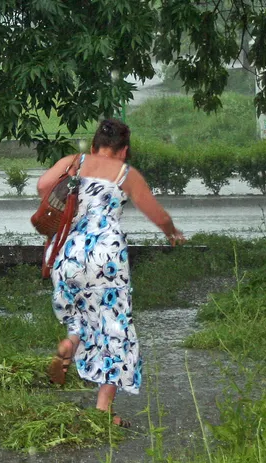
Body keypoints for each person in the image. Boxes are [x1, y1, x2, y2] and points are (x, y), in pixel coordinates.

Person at [37, 118, 185, 427]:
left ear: (93, 146)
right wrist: (173, 234)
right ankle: (104, 408)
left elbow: (42, 186)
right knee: (116, 330)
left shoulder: (74, 162)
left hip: (69, 255)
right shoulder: (125, 175)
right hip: (106, 258)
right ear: (124, 151)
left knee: (82, 314)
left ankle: (71, 343)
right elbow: (156, 213)